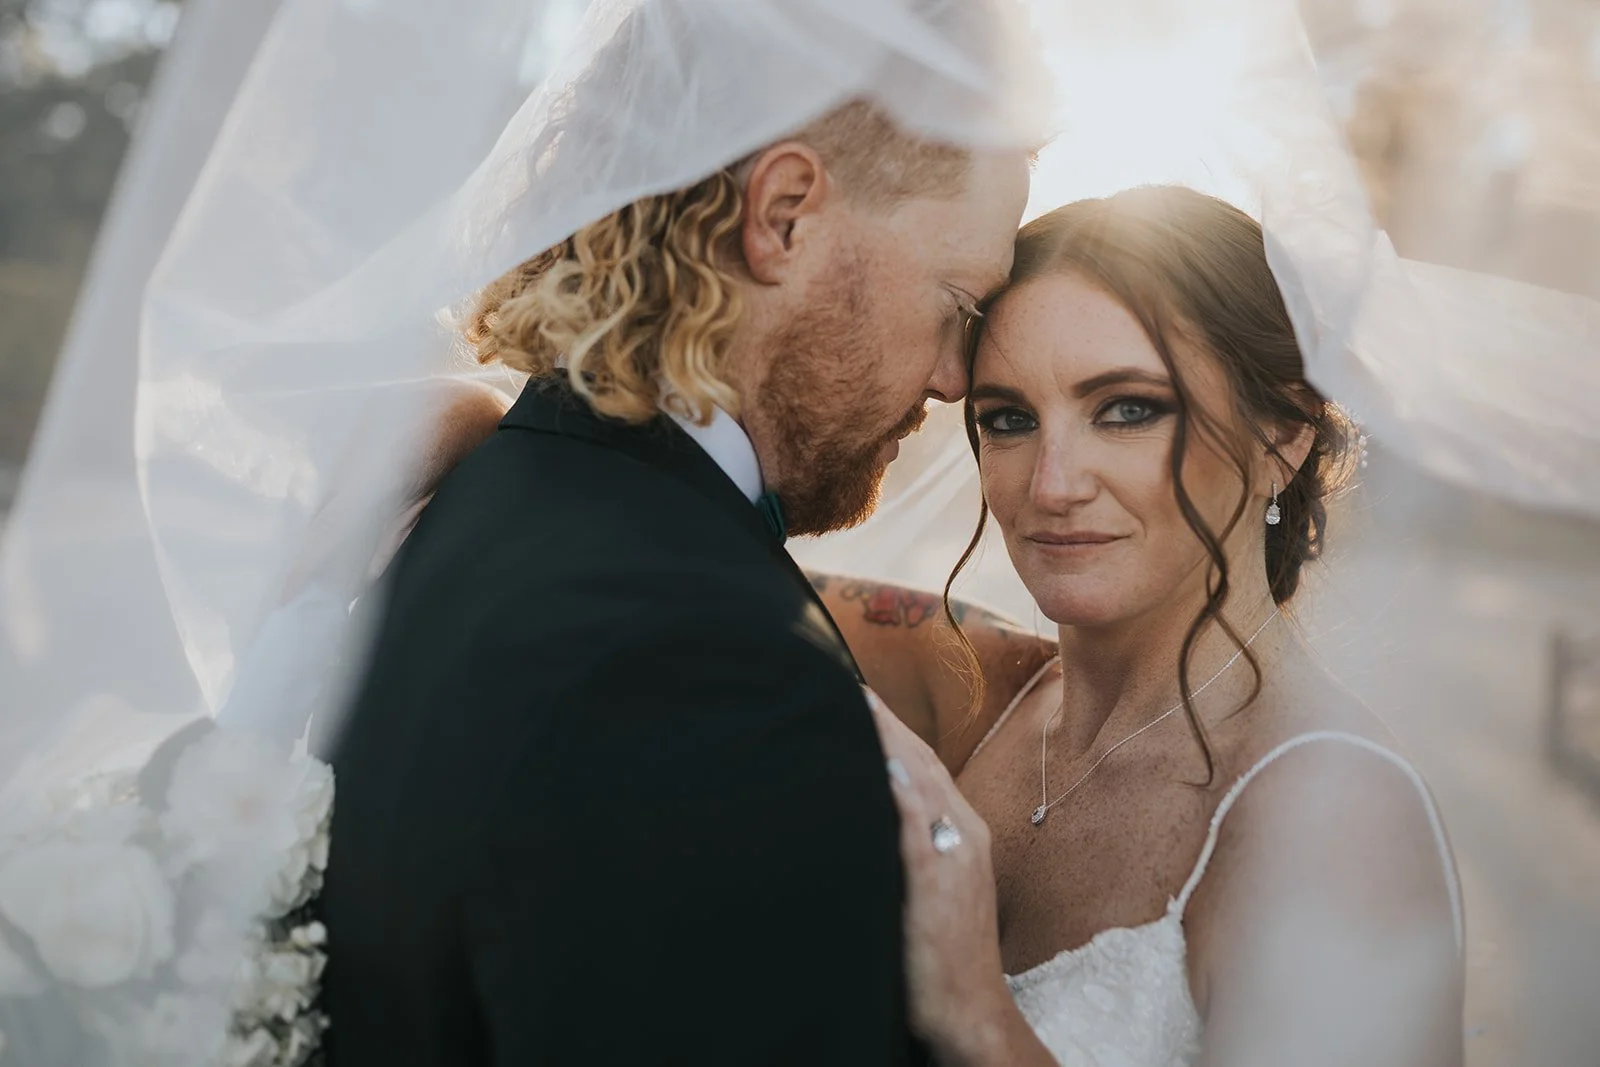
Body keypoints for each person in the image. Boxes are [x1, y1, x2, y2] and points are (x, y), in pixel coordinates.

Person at [317, 36, 1033, 1061]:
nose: (958, 378)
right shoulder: (713, 666)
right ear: (783, 215)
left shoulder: (480, 493)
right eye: (957, 303)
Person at [829, 187, 1465, 1066]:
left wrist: (978, 1018)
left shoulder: (1337, 815)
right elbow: (700, 562)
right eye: (1009, 419)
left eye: (1127, 408)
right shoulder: (984, 688)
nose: (1052, 484)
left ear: (1282, 431)